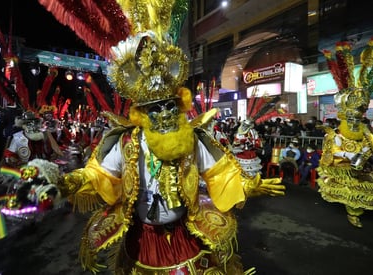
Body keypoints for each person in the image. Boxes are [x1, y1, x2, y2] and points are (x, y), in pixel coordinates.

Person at [41, 1, 286, 273]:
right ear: (143, 114)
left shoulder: (191, 139)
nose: (166, 113)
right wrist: (66, 183)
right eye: (156, 108)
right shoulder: (126, 142)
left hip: (185, 235)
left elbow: (220, 172)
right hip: (141, 239)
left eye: (170, 105)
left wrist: (248, 185)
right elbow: (98, 175)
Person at [317, 38, 373, 228]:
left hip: (362, 161)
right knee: (350, 189)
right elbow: (334, 148)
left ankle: (364, 207)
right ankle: (353, 212)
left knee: (370, 182)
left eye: (358, 116)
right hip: (345, 163)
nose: (355, 120)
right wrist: (347, 154)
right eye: (352, 117)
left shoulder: (363, 127)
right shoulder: (337, 131)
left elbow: (370, 139)